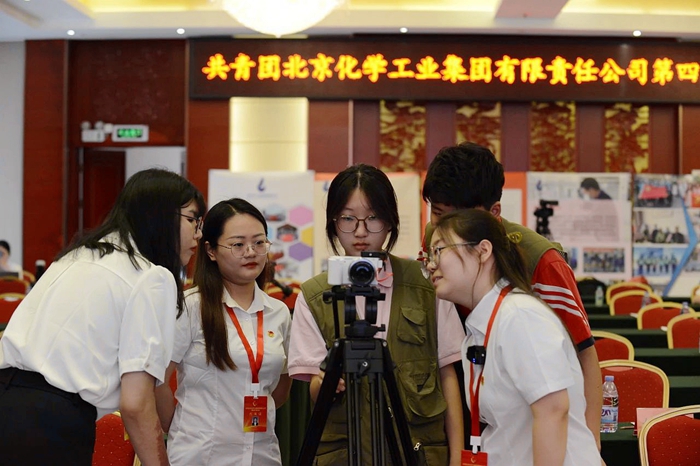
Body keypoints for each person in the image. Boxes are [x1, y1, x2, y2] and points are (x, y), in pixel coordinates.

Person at [0, 168, 205, 465]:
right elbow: (136, 403)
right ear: (161, 216)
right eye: (192, 220)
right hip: (50, 424)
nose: (198, 233)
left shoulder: (77, 255)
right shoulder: (152, 277)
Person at [422, 142, 603, 452]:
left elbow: (583, 354)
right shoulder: (436, 241)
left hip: (533, 420)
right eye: (438, 215)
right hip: (472, 404)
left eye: (458, 221)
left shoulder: (541, 262)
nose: (443, 233)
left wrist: (592, 440)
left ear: (493, 213)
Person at [288, 164, 464, 465]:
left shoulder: (426, 284)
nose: (360, 231)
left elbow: (447, 375)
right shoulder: (314, 295)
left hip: (417, 452)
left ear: (390, 220)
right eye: (347, 218)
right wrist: (327, 381)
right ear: (332, 222)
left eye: (372, 218)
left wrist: (458, 458)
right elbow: (313, 389)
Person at [156, 198, 292, 466]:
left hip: (261, 455)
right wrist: (182, 428)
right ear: (211, 251)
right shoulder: (191, 307)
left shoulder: (279, 312)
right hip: (200, 456)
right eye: (238, 244)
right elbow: (158, 382)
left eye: (259, 242)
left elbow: (281, 387)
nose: (251, 252)